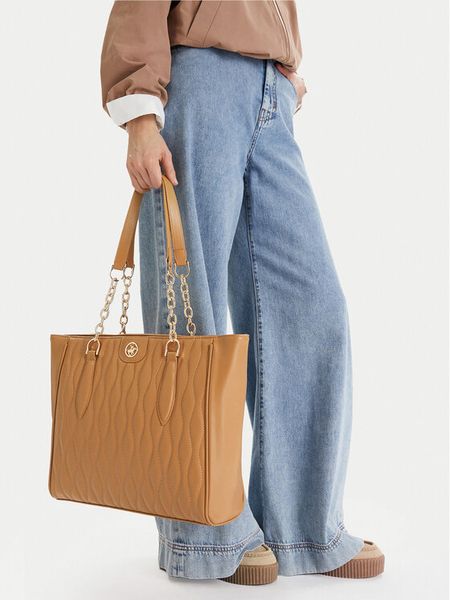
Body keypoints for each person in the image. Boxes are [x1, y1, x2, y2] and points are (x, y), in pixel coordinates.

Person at [100, 0, 384, 585]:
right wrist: (141, 115)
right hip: (200, 79)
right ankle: (202, 534)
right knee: (190, 309)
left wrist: (282, 70)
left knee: (313, 309)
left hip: (270, 95)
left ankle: (300, 524)